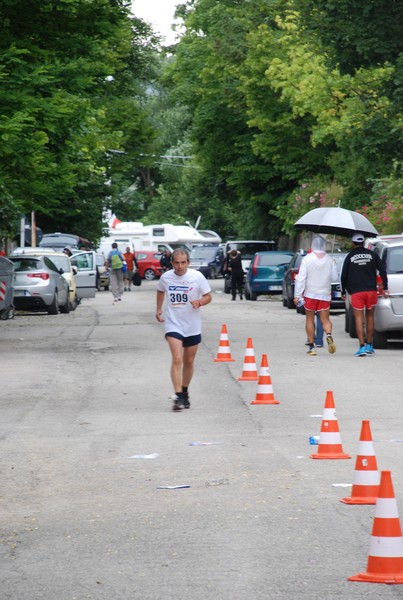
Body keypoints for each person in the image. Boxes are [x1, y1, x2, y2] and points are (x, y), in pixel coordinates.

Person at [156, 248, 212, 411]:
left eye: (183, 263)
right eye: (177, 263)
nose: (180, 266)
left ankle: (185, 391)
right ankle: (178, 396)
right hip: (173, 323)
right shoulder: (166, 277)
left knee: (188, 361)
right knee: (177, 358)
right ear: (172, 263)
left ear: (188, 263)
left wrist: (200, 302)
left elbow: (209, 296)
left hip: (192, 325)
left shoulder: (197, 277)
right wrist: (159, 309)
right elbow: (160, 291)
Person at [341, 233, 389, 356]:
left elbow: (344, 275)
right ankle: (369, 345)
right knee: (370, 317)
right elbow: (382, 269)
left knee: (358, 318)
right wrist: (385, 287)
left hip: (356, 292)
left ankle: (361, 346)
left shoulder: (349, 256)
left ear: (353, 243)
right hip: (371, 291)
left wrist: (343, 291)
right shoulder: (373, 255)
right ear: (363, 242)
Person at [294, 235, 338, 356]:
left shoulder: (307, 259)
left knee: (309, 318)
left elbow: (301, 279)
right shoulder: (330, 259)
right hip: (325, 294)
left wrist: (298, 295)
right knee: (325, 319)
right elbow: (334, 278)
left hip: (310, 294)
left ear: (312, 245)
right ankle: (328, 335)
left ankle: (312, 347)